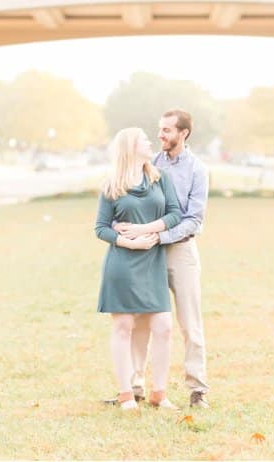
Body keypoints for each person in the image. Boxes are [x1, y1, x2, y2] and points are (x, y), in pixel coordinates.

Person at [114, 108, 211, 409]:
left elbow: (194, 219)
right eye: (159, 129)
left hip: (181, 250)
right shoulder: (151, 163)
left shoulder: (197, 170)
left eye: (167, 130)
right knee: (142, 319)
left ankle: (197, 389)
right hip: (149, 251)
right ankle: (134, 386)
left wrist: (160, 236)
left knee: (189, 323)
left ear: (183, 134)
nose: (160, 135)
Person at [95, 127, 182, 411]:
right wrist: (128, 243)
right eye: (144, 139)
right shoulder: (111, 185)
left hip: (153, 261)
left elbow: (174, 214)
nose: (150, 142)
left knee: (164, 327)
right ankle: (126, 394)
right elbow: (101, 228)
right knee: (123, 326)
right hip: (122, 263)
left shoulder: (159, 178)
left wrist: (146, 230)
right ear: (130, 147)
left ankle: (159, 392)